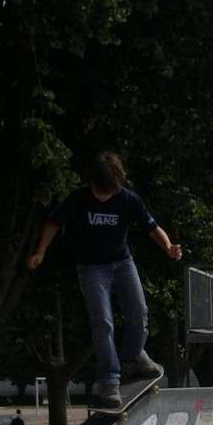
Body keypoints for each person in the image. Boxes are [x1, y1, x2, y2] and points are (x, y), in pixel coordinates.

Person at [27, 151, 182, 409]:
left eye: (107, 192)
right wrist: (41, 251)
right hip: (91, 268)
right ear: (91, 183)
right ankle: (110, 381)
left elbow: (150, 226)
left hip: (122, 263)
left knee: (139, 313)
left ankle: (133, 357)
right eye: (98, 191)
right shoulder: (78, 198)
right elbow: (53, 222)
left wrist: (168, 246)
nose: (102, 196)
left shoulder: (128, 199)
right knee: (103, 322)